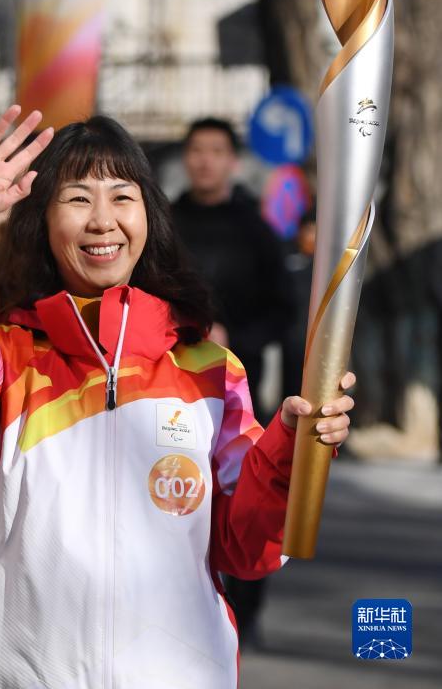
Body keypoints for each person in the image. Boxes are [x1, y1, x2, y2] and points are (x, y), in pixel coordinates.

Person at [0, 105, 355, 689]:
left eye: (122, 197)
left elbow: (247, 546)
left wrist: (291, 450)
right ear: (42, 222)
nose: (103, 220)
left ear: (148, 215)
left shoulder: (209, 372)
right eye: (78, 199)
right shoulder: (3, 361)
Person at [170, 116, 297, 649]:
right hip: (171, 383)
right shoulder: (163, 223)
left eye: (216, 151)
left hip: (238, 384)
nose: (205, 161)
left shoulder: (256, 229)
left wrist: (235, 338)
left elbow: (284, 309)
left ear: (232, 161)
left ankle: (246, 610)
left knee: (247, 491)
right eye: (197, 150)